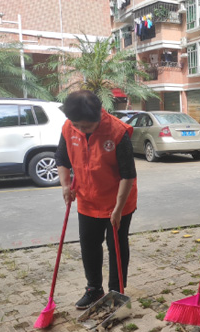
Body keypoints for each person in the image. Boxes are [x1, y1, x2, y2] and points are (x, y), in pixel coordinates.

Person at [55, 90, 138, 309]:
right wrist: (66, 185)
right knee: (89, 244)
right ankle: (94, 289)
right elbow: (61, 159)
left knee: (116, 245)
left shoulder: (117, 131)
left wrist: (118, 209)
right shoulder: (69, 127)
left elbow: (128, 174)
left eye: (86, 126)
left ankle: (116, 291)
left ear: (98, 116)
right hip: (87, 199)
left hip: (118, 201)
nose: (80, 129)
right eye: (77, 125)